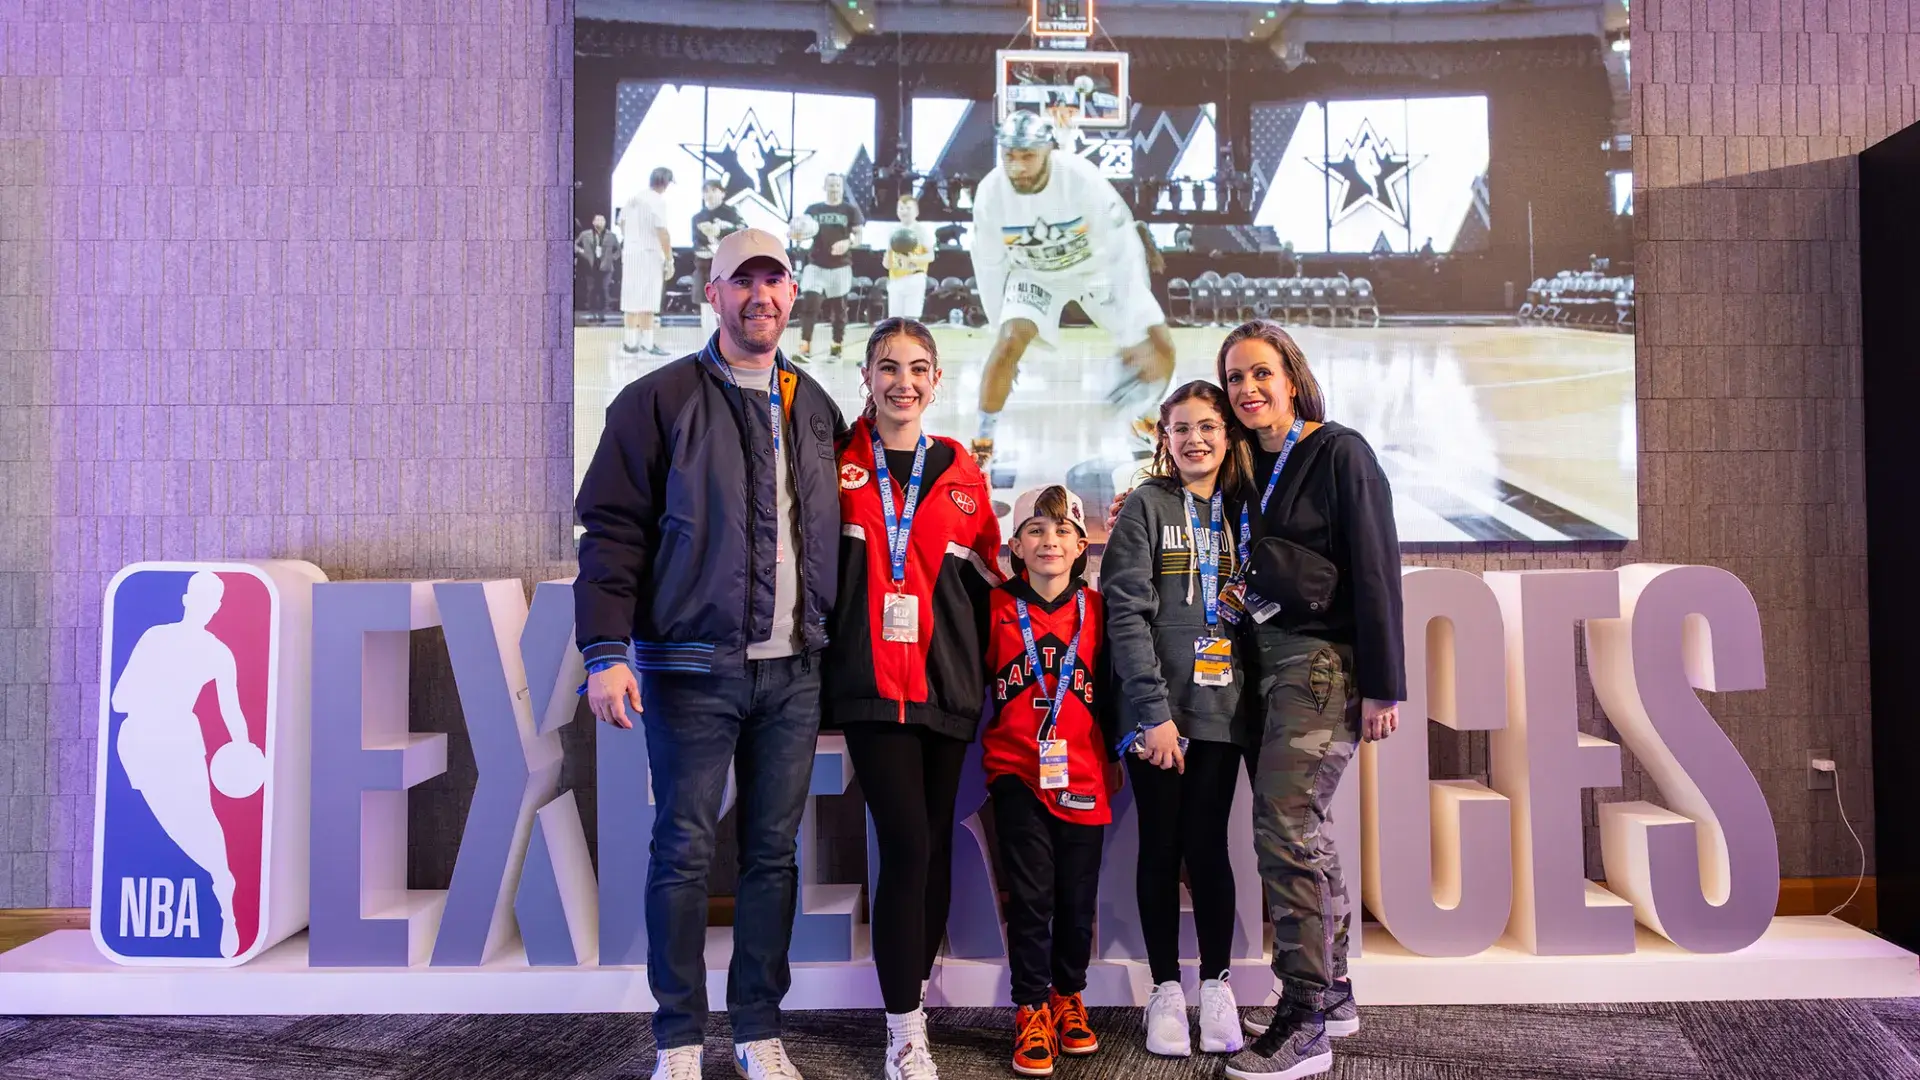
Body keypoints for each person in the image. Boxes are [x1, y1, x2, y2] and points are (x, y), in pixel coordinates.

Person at [575, 228, 847, 1080]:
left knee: (773, 856)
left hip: (794, 675)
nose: (759, 296)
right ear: (713, 293)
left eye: (773, 281)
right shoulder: (654, 401)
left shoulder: (815, 405)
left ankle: (759, 1029)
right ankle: (679, 1040)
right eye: (741, 281)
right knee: (683, 852)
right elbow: (611, 533)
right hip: (691, 670)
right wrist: (604, 651)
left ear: (792, 293)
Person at [1211, 320, 1405, 1080]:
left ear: (1292, 378)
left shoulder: (1339, 452)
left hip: (1323, 664)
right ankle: (1335, 991)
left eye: (1261, 373)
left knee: (1286, 828)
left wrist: (1384, 684)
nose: (1248, 389)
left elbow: (1377, 566)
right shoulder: (1243, 465)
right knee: (1303, 829)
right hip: (1261, 662)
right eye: (1235, 378)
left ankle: (1306, 1020)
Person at [823, 318, 1001, 1080]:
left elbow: (992, 580)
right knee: (906, 844)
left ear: (936, 381)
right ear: (866, 376)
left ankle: (913, 995)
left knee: (933, 845)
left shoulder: (961, 471)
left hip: (945, 688)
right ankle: (902, 1030)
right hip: (868, 688)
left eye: (918, 368)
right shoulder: (836, 464)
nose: (903, 381)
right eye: (888, 366)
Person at [1100, 380, 1256, 1059]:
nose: (1195, 439)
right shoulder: (1146, 505)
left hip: (1223, 707)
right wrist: (1152, 711)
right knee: (1160, 846)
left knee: (1209, 846)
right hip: (1157, 714)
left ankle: (1217, 986)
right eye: (1181, 428)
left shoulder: (1248, 506)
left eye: (1207, 427)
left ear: (1228, 434)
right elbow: (1125, 614)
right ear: (1163, 438)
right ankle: (1165, 988)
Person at [981, 486, 1120, 1079]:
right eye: (1035, 530)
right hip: (1016, 769)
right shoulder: (993, 607)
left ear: (1081, 545)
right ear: (1015, 545)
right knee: (1031, 895)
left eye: (1063, 530)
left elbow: (1114, 691)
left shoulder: (1099, 609)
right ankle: (1031, 1006)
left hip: (1084, 771)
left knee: (1076, 897)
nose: (1049, 541)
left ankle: (1068, 996)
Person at [968, 111, 1177, 470]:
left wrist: (1131, 330)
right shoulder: (990, 193)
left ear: (1047, 150)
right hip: (1034, 273)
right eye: (1009, 156)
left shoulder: (1081, 178)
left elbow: (1123, 248)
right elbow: (988, 265)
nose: (1017, 166)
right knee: (1007, 344)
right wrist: (996, 325)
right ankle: (983, 442)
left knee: (1160, 346)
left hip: (1095, 270)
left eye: (1028, 156)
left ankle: (1142, 418)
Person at [110, 571, 259, 959]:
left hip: (178, 739)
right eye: (202, 597)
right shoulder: (156, 638)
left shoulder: (217, 653)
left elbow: (232, 711)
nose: (206, 605)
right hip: (142, 741)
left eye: (212, 599)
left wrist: (242, 749)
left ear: (216, 606)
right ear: (188, 599)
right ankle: (220, 880)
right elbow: (119, 699)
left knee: (199, 818)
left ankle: (224, 892)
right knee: (172, 822)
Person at [790, 173, 866, 362]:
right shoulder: (813, 210)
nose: (834, 188)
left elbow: (858, 237)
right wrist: (795, 234)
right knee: (810, 305)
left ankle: (836, 348)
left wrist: (847, 243)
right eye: (831, 185)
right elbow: (799, 232)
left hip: (840, 266)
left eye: (837, 185)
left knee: (839, 310)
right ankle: (805, 348)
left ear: (842, 188)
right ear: (824, 187)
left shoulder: (850, 210)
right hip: (815, 265)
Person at [619, 166, 676, 357]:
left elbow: (622, 223)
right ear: (666, 183)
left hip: (631, 254)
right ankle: (648, 343)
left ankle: (630, 343)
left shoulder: (633, 198)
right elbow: (662, 232)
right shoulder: (657, 201)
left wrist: (632, 240)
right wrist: (669, 260)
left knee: (631, 298)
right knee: (648, 300)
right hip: (649, 255)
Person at [693, 179, 747, 337]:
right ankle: (709, 341)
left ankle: (731, 340)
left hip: (728, 267)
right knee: (706, 306)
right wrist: (710, 248)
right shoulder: (697, 217)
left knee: (728, 304)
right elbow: (696, 242)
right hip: (704, 266)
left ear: (722, 193)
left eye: (713, 190)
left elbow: (743, 232)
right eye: (706, 191)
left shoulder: (732, 213)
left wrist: (721, 230)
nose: (709, 194)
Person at [884, 195, 936, 321]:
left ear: (916, 211)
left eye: (908, 208)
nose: (904, 211)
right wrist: (886, 262)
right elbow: (888, 255)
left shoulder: (921, 231)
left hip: (915, 277)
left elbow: (931, 256)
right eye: (901, 208)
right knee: (895, 320)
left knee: (911, 319)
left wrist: (913, 259)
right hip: (895, 278)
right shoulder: (893, 231)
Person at [575, 213, 621, 314]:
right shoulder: (585, 234)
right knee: (591, 289)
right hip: (590, 265)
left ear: (605, 222)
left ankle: (605, 310)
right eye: (597, 220)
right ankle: (591, 310)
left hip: (606, 266)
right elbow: (575, 244)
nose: (599, 222)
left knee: (604, 288)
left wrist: (612, 258)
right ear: (593, 222)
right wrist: (581, 251)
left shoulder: (611, 236)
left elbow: (618, 250)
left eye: (602, 220)